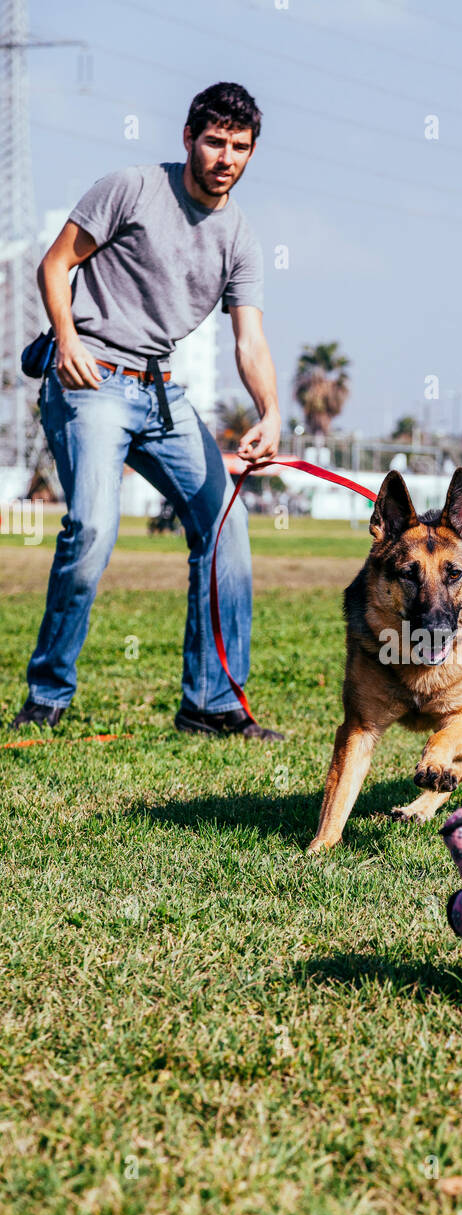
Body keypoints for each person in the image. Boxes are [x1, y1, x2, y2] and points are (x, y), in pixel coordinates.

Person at [12, 81, 283, 740]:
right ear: (189, 138)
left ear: (250, 153)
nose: (225, 156)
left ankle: (211, 705)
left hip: (161, 393)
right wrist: (67, 338)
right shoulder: (131, 188)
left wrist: (270, 411)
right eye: (214, 141)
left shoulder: (240, 238)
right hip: (90, 379)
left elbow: (248, 337)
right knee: (94, 529)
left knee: (227, 527)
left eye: (239, 146)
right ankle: (48, 693)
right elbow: (54, 266)